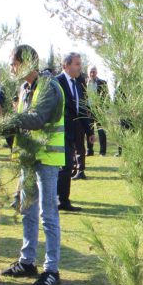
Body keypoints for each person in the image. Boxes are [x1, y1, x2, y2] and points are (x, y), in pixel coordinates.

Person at [0, 45, 66, 285]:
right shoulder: (24, 89)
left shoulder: (48, 86)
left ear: (27, 63)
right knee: (27, 212)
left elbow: (36, 120)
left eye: (13, 63)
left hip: (47, 159)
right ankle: (27, 262)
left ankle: (51, 270)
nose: (11, 68)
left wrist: (5, 115)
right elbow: (19, 126)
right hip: (28, 159)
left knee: (48, 215)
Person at [55, 53, 88, 208]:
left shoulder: (77, 84)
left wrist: (90, 132)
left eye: (80, 64)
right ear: (65, 65)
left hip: (73, 132)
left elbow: (81, 109)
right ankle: (61, 200)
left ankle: (62, 200)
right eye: (76, 64)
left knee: (68, 166)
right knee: (64, 166)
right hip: (58, 132)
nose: (79, 67)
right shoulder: (56, 82)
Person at [85, 66, 109, 156]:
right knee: (89, 131)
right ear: (88, 73)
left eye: (94, 71)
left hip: (99, 110)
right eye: (91, 72)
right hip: (88, 110)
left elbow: (107, 98)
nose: (92, 73)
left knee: (101, 131)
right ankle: (89, 150)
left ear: (97, 72)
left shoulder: (102, 83)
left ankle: (102, 152)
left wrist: (104, 109)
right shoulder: (84, 83)